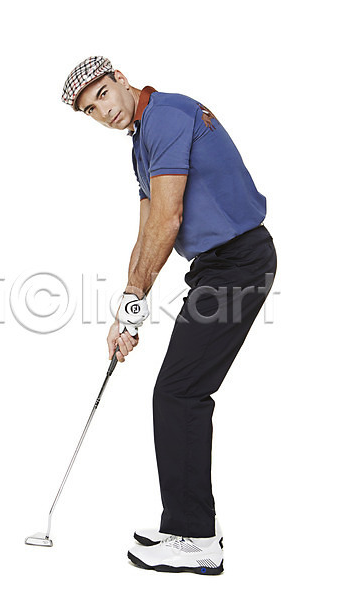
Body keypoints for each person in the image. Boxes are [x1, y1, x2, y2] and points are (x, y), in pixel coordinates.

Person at [61, 56, 277, 575]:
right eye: (91, 110)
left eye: (102, 95)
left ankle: (195, 538)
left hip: (238, 262)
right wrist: (128, 309)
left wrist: (135, 300)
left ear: (120, 78)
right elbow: (146, 230)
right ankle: (186, 524)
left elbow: (168, 217)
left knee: (179, 393)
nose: (103, 111)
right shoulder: (141, 141)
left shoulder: (167, 116)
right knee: (179, 391)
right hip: (214, 268)